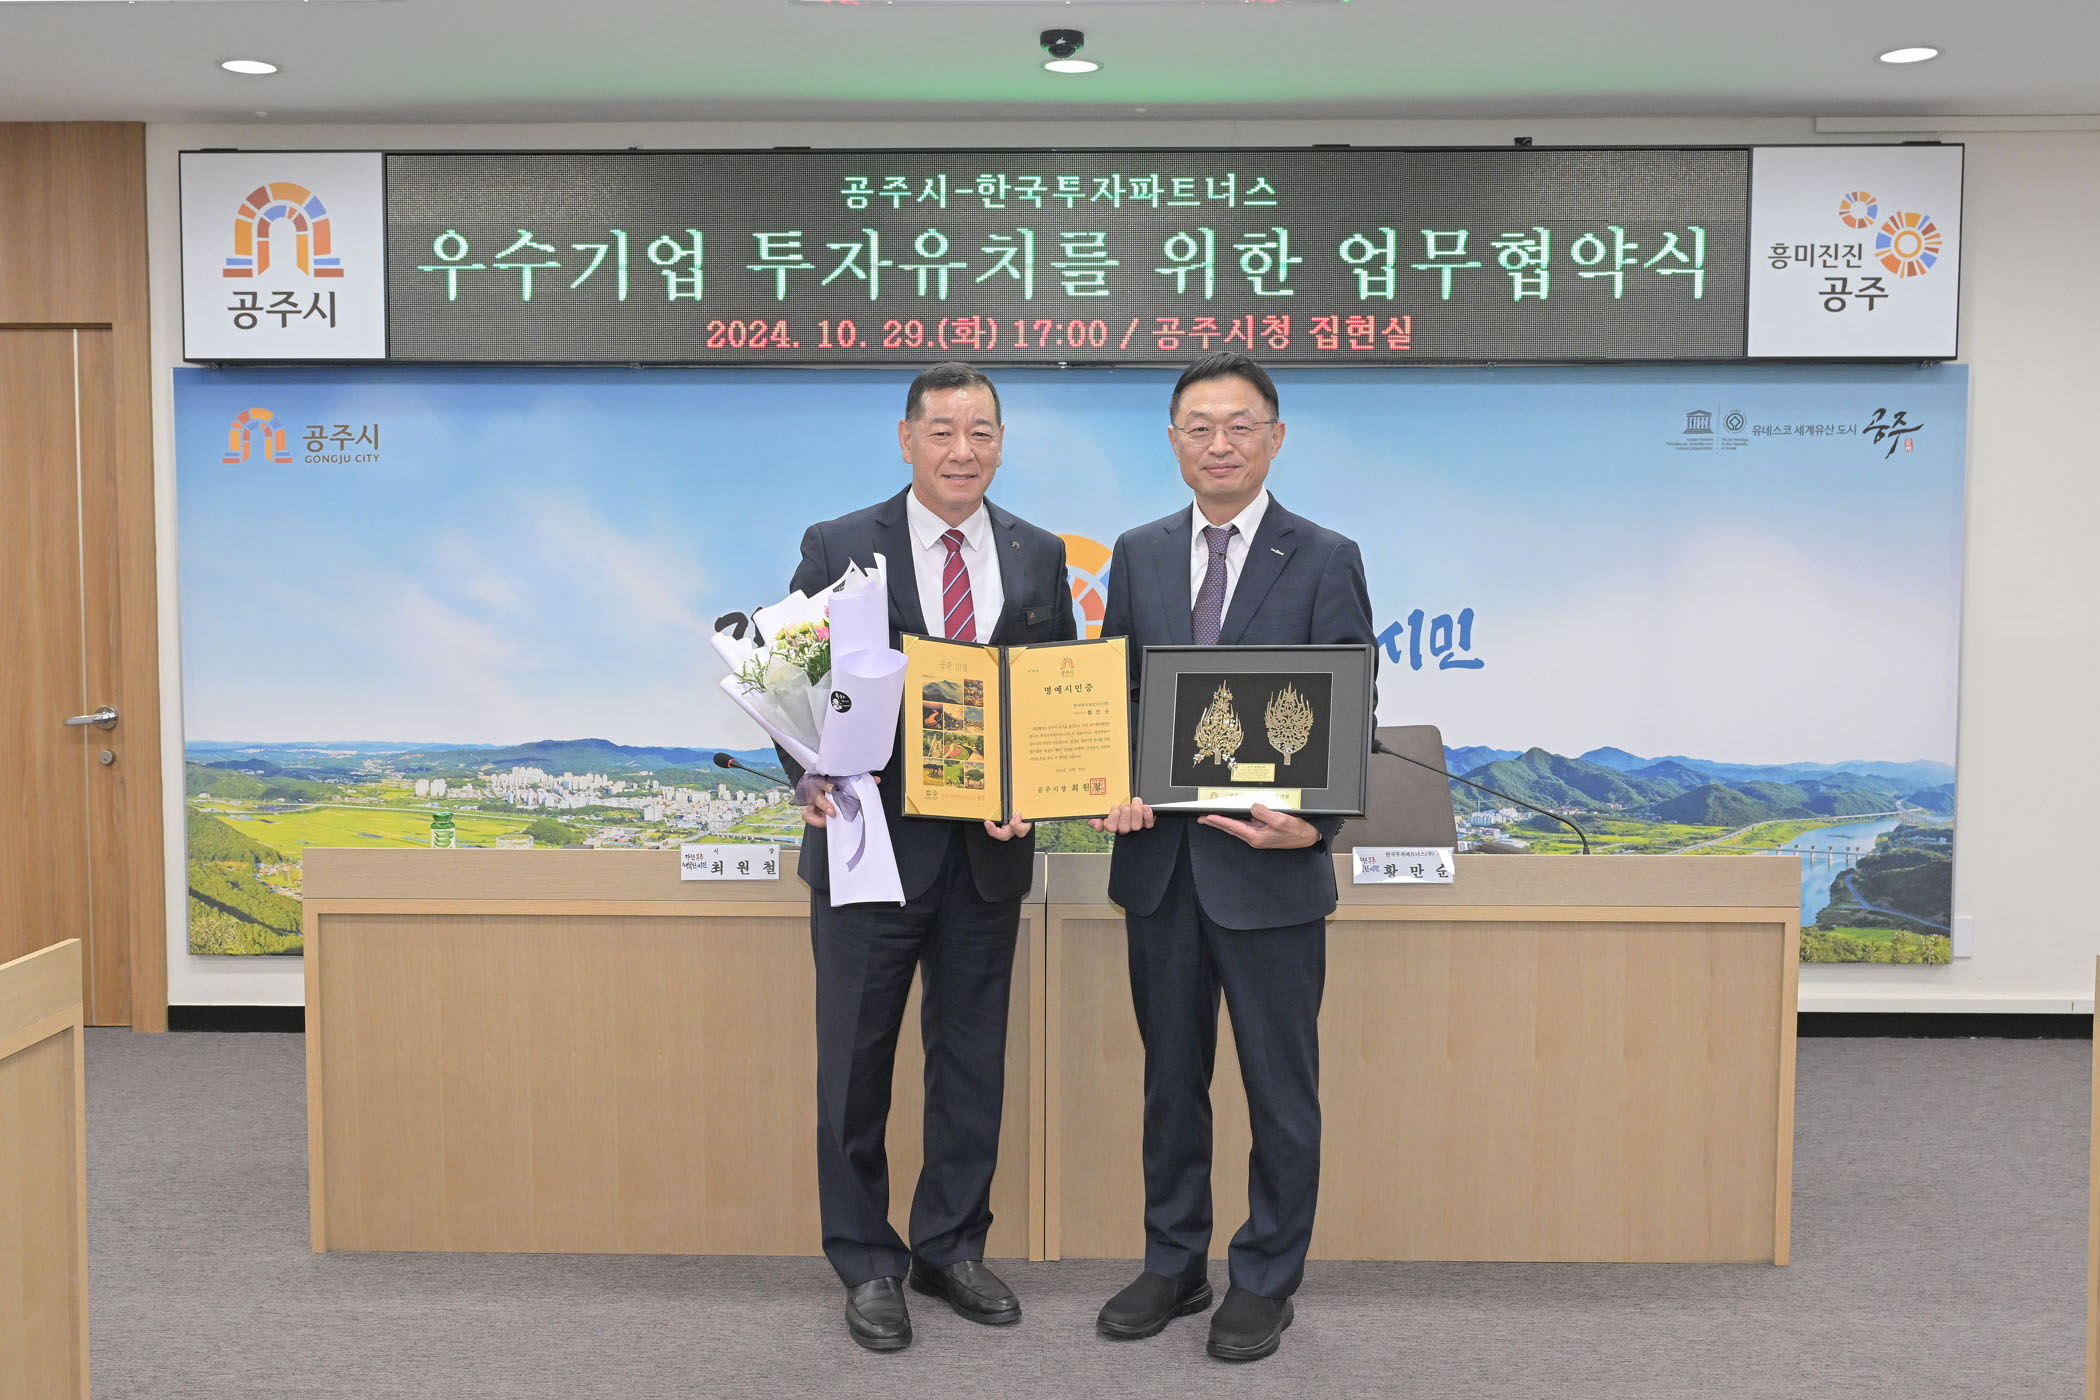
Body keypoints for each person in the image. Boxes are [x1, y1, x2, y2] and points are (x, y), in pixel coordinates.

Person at [1089, 352, 1376, 1363]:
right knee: (1171, 1083)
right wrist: (1105, 780)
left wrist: (1318, 825)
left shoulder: (1326, 556)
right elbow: (1118, 697)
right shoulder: (1139, 552)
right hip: (1161, 869)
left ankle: (1264, 1279)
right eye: (1199, 427)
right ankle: (1175, 1263)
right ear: (1174, 441)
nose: (1220, 443)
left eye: (1240, 425)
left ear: (1275, 437)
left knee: (1278, 1091)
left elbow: (1353, 704)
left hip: (1272, 870)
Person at [787, 362, 1077, 1352]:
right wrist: (808, 772)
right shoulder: (839, 545)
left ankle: (950, 1246)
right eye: (944, 430)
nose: (964, 450)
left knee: (970, 1063)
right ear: (907, 438)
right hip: (869, 847)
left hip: (985, 860)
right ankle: (867, 1262)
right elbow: (794, 683)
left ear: (1001, 443)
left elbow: (1052, 696)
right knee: (854, 1068)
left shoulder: (1038, 554)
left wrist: (1035, 791)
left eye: (982, 431)